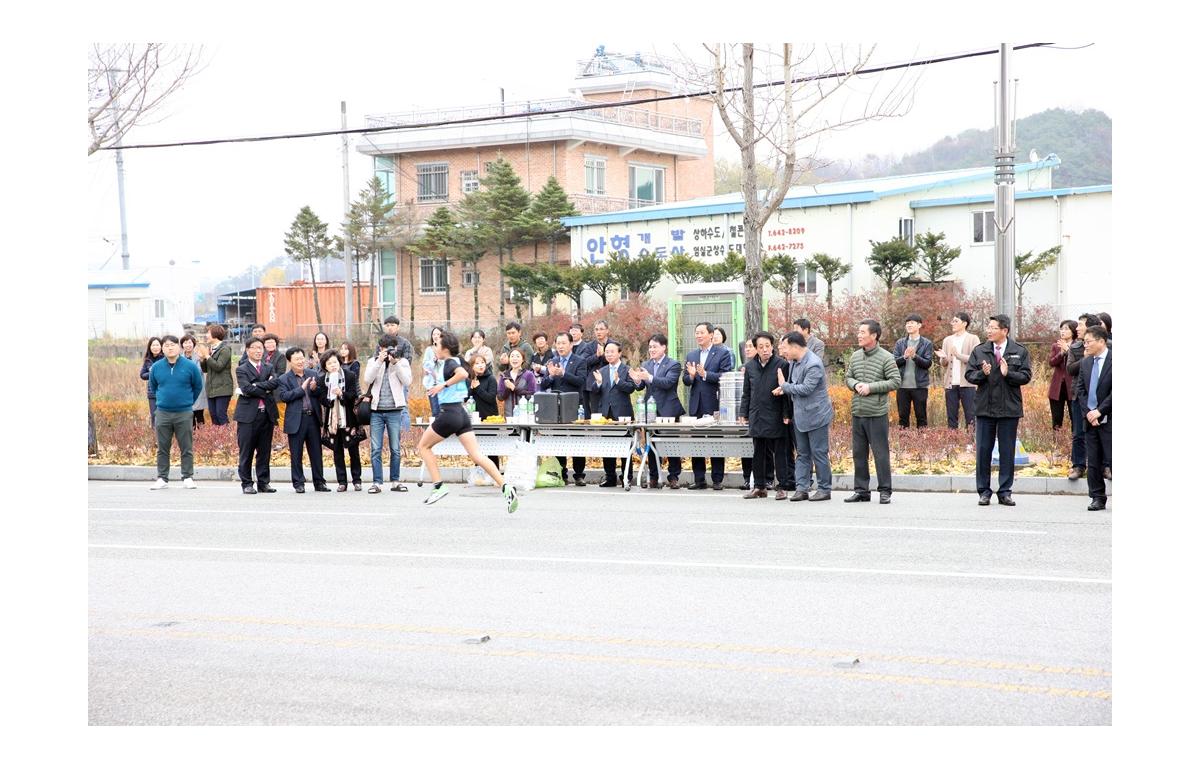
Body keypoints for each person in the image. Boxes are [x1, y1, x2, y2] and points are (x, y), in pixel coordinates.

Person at [416, 331, 519, 513]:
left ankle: (439, 486)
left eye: (437, 345)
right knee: (477, 455)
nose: (435, 348)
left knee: (423, 447)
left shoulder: (450, 363)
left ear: (445, 348)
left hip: (449, 413)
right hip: (461, 414)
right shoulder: (453, 361)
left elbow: (463, 373)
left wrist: (442, 385)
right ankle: (506, 487)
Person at [965, 314, 1032, 507]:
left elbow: (1026, 376)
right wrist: (982, 373)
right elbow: (969, 375)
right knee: (983, 450)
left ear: (1005, 330)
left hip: (1009, 408)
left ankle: (1005, 491)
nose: (989, 330)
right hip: (985, 408)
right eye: (989, 327)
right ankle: (984, 491)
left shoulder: (1019, 351)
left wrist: (1008, 373)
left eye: (993, 328)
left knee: (1007, 451)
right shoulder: (980, 350)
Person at [845, 319, 900, 504]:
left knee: (880, 453)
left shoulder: (886, 357)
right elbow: (848, 377)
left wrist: (871, 387)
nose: (859, 335)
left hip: (877, 413)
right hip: (858, 411)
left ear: (874, 335)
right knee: (859, 453)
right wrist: (855, 384)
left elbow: (895, 381)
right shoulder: (855, 356)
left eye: (862, 332)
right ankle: (861, 490)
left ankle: (885, 490)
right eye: (858, 332)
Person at [777, 331, 833, 501]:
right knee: (802, 453)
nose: (782, 351)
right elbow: (795, 385)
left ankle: (824, 489)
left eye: (784, 347)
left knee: (819, 453)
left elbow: (806, 389)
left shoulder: (813, 364)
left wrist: (784, 386)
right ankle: (802, 488)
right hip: (800, 415)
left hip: (817, 415)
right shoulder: (794, 361)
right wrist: (785, 388)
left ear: (795, 346)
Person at [739, 332, 792, 500]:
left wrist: (786, 413)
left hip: (776, 414)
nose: (764, 349)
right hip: (757, 414)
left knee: (780, 453)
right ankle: (759, 486)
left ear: (772, 346)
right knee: (758, 453)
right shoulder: (750, 367)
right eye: (760, 347)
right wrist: (743, 412)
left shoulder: (781, 364)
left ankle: (782, 486)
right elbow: (746, 392)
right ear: (755, 348)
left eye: (767, 346)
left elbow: (786, 392)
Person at [147, 335, 205, 490]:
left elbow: (198, 386)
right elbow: (153, 387)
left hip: (184, 412)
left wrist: (186, 402)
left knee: (186, 446)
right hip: (163, 412)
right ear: (162, 348)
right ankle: (162, 477)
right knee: (162, 447)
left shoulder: (190, 366)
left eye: (172, 345)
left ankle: (187, 476)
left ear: (178, 347)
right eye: (166, 345)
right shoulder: (157, 367)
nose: (169, 348)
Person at [682, 322, 733, 490]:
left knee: (716, 440)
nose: (698, 335)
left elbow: (726, 376)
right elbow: (686, 380)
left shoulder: (722, 353)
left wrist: (706, 375)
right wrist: (691, 376)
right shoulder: (692, 354)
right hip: (696, 403)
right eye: (696, 332)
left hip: (714, 402)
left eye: (701, 332)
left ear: (711, 335)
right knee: (696, 441)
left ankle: (717, 479)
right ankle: (699, 479)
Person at [630, 333, 684, 488]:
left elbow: (668, 383)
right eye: (650, 347)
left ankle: (673, 477)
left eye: (655, 346)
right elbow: (641, 387)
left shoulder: (673, 364)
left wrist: (650, 377)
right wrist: (637, 380)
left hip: (669, 409)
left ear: (664, 347)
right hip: (650, 410)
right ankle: (654, 476)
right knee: (650, 443)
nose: (651, 350)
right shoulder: (646, 364)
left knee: (671, 444)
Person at [362, 333, 413, 494]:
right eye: (383, 348)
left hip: (394, 410)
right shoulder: (373, 361)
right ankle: (377, 482)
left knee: (395, 448)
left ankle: (395, 481)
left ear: (395, 348)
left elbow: (407, 381)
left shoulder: (402, 362)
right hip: (376, 411)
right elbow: (367, 379)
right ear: (379, 348)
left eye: (389, 348)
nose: (386, 351)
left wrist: (395, 363)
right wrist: (378, 361)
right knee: (375, 448)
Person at [278, 346, 330, 493]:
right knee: (296, 453)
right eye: (297, 359)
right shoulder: (284, 378)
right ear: (289, 361)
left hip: (312, 418)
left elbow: (321, 395)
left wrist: (315, 389)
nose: (301, 361)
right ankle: (298, 483)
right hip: (296, 419)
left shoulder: (313, 374)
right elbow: (284, 396)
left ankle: (319, 482)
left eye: (302, 358)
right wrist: (302, 389)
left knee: (316, 452)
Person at [233, 337, 281, 494]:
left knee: (264, 451)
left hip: (266, 414)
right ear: (247, 351)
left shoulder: (269, 367)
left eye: (260, 348)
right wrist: (263, 387)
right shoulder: (242, 368)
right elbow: (246, 388)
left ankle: (263, 482)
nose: (258, 351)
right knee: (246, 451)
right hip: (247, 416)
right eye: (254, 348)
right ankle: (246, 483)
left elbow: (275, 384)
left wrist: (256, 385)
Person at [541, 331, 589, 485]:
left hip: (574, 406)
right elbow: (544, 385)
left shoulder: (580, 361)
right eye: (558, 343)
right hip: (556, 407)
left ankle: (579, 474)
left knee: (577, 440)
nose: (560, 346)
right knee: (558, 440)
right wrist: (550, 376)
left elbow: (581, 381)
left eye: (563, 343)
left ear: (571, 344)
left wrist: (563, 373)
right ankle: (562, 473)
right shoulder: (553, 361)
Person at [587, 340, 635, 488]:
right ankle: (610, 477)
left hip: (622, 413)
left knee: (626, 447)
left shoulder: (626, 369)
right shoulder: (602, 371)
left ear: (619, 353)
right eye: (607, 352)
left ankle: (626, 476)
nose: (609, 354)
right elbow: (595, 390)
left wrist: (619, 381)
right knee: (608, 446)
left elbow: (632, 388)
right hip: (605, 413)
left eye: (612, 351)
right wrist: (599, 383)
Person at [1075, 325, 1112, 510]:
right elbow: (1080, 390)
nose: (1085, 345)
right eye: (1084, 341)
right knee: (1094, 461)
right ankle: (1097, 496)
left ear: (1101, 341)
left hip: (1110, 418)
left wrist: (1101, 411)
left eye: (1088, 341)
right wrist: (1089, 412)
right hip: (1090, 419)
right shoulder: (1086, 362)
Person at [318, 350, 363, 492]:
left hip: (348, 417)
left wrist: (341, 394)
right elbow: (322, 400)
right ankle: (342, 481)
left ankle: (357, 480)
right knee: (337, 451)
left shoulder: (349, 376)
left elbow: (353, 395)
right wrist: (329, 399)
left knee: (353, 450)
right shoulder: (322, 379)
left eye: (335, 362)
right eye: (329, 363)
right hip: (332, 420)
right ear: (325, 366)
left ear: (340, 362)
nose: (333, 365)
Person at [1065, 314, 1097, 481]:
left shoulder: (1108, 348)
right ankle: (1078, 465)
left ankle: (1106, 466)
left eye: (1080, 325)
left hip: (1101, 395)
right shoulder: (1076, 348)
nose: (1077, 328)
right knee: (1078, 433)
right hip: (1079, 395)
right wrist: (1084, 359)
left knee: (1103, 433)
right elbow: (1070, 369)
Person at [935, 312, 980, 430]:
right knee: (951, 416)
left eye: (956, 321)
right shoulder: (947, 340)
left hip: (968, 383)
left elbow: (976, 359)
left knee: (970, 415)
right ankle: (953, 442)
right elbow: (944, 364)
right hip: (950, 383)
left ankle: (971, 443)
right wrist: (943, 358)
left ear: (964, 323)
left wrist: (958, 355)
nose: (952, 323)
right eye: (952, 321)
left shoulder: (973, 338)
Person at [892, 313, 934, 428]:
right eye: (907, 323)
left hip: (919, 386)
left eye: (911, 323)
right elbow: (893, 362)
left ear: (919, 325)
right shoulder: (900, 343)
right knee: (903, 418)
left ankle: (922, 443)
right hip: (902, 386)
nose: (909, 325)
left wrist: (915, 356)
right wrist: (904, 357)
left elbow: (927, 363)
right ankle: (904, 444)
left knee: (921, 417)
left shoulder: (926, 343)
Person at [736, 338, 766, 491]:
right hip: (750, 411)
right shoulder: (745, 367)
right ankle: (748, 478)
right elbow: (745, 393)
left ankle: (766, 479)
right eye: (745, 347)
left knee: (762, 448)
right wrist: (743, 411)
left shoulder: (766, 365)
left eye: (750, 347)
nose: (747, 349)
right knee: (746, 445)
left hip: (765, 413)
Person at [467, 355, 502, 470]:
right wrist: (471, 388)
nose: (481, 365)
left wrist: (477, 388)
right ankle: (479, 474)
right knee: (477, 448)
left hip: (490, 418)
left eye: (482, 362)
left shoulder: (491, 379)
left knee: (492, 448)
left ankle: (495, 473)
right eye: (477, 363)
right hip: (476, 418)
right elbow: (466, 399)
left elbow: (491, 398)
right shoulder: (470, 380)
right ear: (472, 367)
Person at [198, 324, 233, 425]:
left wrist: (207, 356)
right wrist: (202, 359)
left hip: (223, 388)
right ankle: (217, 439)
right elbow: (206, 370)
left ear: (215, 334)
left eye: (208, 333)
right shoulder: (211, 349)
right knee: (213, 415)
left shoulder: (225, 349)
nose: (206, 335)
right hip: (211, 388)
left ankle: (227, 439)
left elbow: (218, 366)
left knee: (220, 415)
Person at [1048, 320, 1079, 431]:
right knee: (1056, 419)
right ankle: (1057, 442)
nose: (1063, 331)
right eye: (1061, 328)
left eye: (1066, 328)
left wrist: (1068, 350)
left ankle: (1074, 442)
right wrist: (1061, 353)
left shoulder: (1078, 345)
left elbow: (1080, 362)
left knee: (1075, 418)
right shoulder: (1056, 346)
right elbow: (1051, 362)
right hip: (1058, 386)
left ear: (1073, 331)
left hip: (1072, 386)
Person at [497, 347, 539, 418]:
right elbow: (500, 397)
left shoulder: (529, 375)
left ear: (522, 360)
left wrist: (514, 388)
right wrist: (507, 388)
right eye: (512, 356)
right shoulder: (504, 375)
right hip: (509, 417)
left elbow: (532, 395)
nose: (514, 359)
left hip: (525, 416)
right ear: (509, 359)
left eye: (518, 356)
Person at [180, 334, 208, 427]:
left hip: (198, 388)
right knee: (189, 415)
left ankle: (203, 437)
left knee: (199, 414)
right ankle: (192, 436)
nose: (188, 345)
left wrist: (202, 359)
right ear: (182, 345)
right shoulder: (179, 358)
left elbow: (201, 370)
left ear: (193, 344)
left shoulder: (199, 356)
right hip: (185, 390)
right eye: (185, 343)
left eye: (190, 342)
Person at [139, 336, 164, 427]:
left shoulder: (164, 359)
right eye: (153, 345)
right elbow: (142, 375)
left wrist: (153, 372)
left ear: (161, 346)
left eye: (157, 345)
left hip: (163, 391)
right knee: (154, 415)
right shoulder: (147, 360)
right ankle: (155, 437)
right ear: (150, 347)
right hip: (151, 392)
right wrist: (151, 372)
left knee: (163, 415)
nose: (155, 347)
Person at [421, 327, 445, 418]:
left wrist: (439, 360)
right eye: (434, 334)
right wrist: (433, 361)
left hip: (443, 384)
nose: (435, 336)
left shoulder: (445, 349)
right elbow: (425, 364)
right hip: (432, 383)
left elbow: (448, 363)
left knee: (444, 410)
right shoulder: (429, 349)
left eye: (438, 334)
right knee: (435, 411)